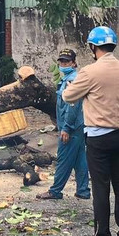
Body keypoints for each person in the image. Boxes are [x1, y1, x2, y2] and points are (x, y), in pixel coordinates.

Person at [59, 26, 119, 236]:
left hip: (98, 137)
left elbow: (68, 96)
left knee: (101, 186)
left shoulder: (89, 72)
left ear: (93, 47)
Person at [40, 48, 90, 202]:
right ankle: (83, 190)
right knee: (79, 158)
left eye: (67, 61)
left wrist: (66, 128)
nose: (63, 64)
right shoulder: (68, 79)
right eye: (61, 61)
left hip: (72, 126)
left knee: (64, 158)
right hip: (78, 126)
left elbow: (72, 106)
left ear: (74, 63)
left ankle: (55, 191)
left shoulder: (72, 81)